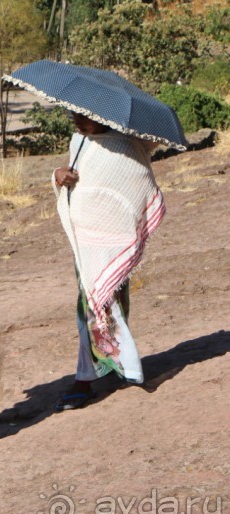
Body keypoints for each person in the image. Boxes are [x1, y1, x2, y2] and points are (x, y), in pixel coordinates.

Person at [52, 112, 165, 411]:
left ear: (102, 115)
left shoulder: (127, 143)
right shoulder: (79, 140)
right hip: (85, 239)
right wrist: (58, 175)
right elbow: (75, 177)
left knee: (113, 302)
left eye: (85, 119)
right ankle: (88, 376)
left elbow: (137, 175)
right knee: (87, 305)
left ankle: (116, 366)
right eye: (74, 118)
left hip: (114, 237)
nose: (78, 124)